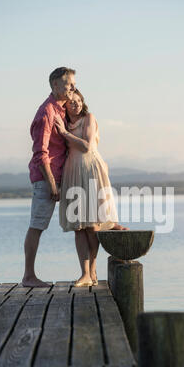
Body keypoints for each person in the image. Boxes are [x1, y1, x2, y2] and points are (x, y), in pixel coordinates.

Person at [54, 89, 129, 287]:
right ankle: (84, 273)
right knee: (79, 227)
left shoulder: (89, 118)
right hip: (72, 171)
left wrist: (63, 133)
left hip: (91, 170)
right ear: (65, 105)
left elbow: (87, 146)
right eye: (71, 102)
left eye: (78, 100)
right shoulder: (64, 121)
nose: (75, 104)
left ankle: (93, 270)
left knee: (92, 226)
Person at [22, 67, 76, 287]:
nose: (73, 87)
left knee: (84, 220)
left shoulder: (61, 110)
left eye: (73, 83)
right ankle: (28, 276)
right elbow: (40, 153)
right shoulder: (47, 113)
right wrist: (53, 185)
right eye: (68, 84)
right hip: (47, 179)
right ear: (55, 85)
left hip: (61, 176)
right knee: (37, 225)